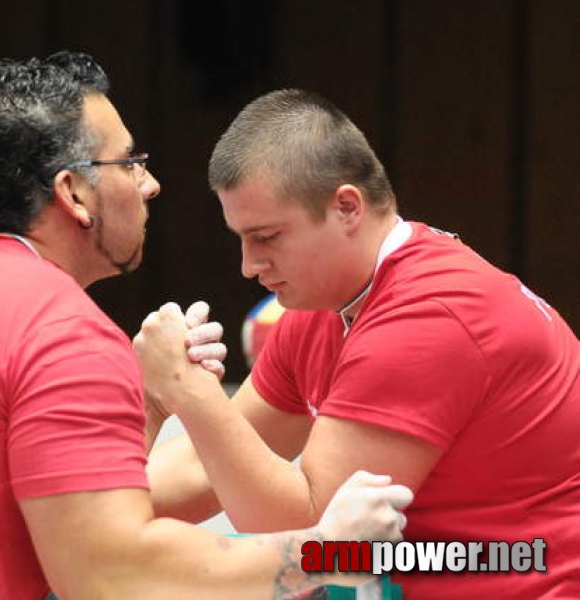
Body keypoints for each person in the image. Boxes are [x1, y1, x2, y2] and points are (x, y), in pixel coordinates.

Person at [0, 53, 412, 599]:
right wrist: (323, 551)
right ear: (74, 194)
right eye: (129, 163)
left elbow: (52, 516)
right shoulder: (57, 326)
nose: (148, 185)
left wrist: (147, 400)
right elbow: (109, 576)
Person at [137, 88, 580, 599]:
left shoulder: (427, 317)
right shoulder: (325, 306)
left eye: (267, 237)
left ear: (347, 207)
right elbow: (199, 470)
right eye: (241, 238)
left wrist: (188, 392)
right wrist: (76, 508)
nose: (248, 265)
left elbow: (309, 530)